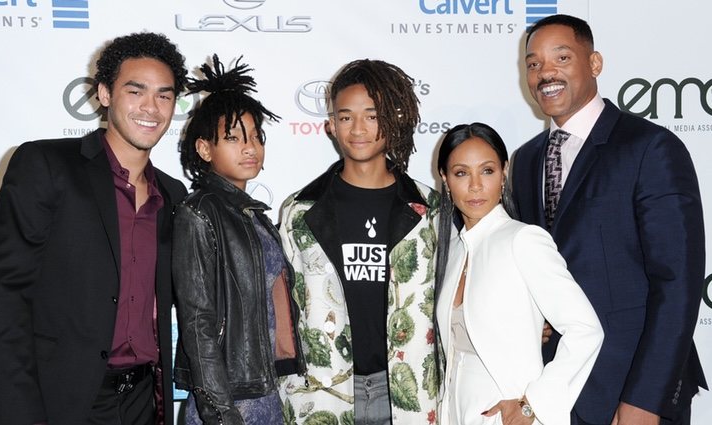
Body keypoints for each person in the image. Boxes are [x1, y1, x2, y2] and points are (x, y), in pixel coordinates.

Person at [0, 32, 188, 425]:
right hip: (59, 400)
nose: (151, 108)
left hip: (144, 401)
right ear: (105, 94)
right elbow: (5, 299)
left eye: (164, 95)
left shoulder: (173, 194)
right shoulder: (46, 165)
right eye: (135, 91)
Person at [511, 14, 707, 425]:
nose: (546, 72)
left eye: (561, 57)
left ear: (594, 63)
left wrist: (646, 400)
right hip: (555, 390)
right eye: (533, 63)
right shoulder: (526, 160)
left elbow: (678, 284)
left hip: (630, 391)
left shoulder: (651, 148)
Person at [278, 59, 440, 424]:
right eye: (346, 116)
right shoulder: (299, 212)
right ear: (331, 125)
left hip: (406, 394)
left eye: (371, 114)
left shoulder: (431, 210)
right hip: (322, 393)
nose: (359, 128)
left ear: (392, 118)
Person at [434, 122, 603, 425]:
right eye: (461, 173)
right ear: (445, 180)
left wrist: (532, 405)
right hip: (456, 412)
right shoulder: (454, 252)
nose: (475, 185)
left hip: (507, 414)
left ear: (504, 173)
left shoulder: (523, 240)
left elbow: (585, 329)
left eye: (487, 171)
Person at [172, 54, 305, 425]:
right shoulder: (198, 212)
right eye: (233, 138)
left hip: (264, 393)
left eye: (255, 137)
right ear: (204, 148)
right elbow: (198, 321)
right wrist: (219, 411)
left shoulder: (254, 215)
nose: (250, 147)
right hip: (227, 401)